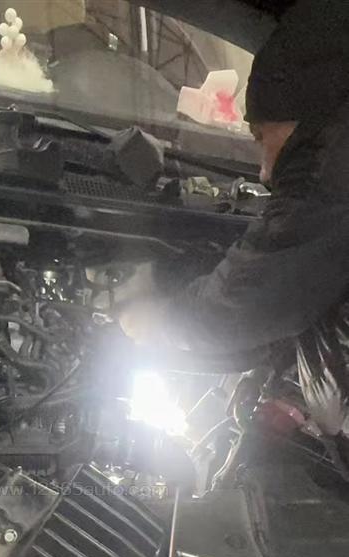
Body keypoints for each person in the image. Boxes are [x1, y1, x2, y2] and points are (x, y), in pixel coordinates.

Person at [121, 0, 349, 437]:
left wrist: (157, 320)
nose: (263, 172)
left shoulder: (328, 169)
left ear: (304, 114)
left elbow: (246, 306)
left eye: (261, 136)